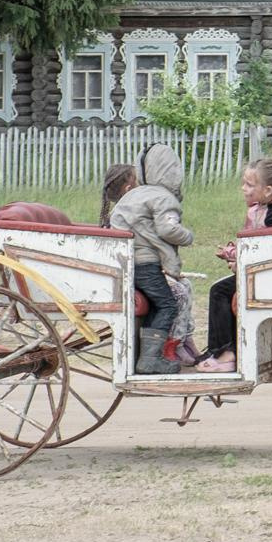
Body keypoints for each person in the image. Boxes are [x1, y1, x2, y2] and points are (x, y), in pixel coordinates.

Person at [199, 157, 272, 374]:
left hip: (269, 275)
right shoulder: (262, 209)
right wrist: (236, 258)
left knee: (219, 291)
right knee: (221, 288)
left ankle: (225, 353)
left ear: (268, 190)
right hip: (257, 272)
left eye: (250, 185)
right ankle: (219, 350)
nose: (243, 189)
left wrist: (240, 261)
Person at [108, 143, 195, 374]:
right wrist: (188, 236)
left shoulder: (135, 195)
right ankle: (150, 359)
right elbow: (168, 229)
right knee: (168, 304)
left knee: (160, 303)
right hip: (145, 263)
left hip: (127, 263)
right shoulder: (163, 197)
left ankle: (150, 356)